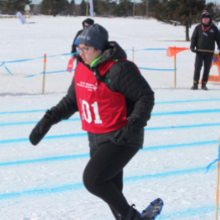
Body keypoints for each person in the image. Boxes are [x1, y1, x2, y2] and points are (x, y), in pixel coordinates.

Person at [29, 24, 163, 220]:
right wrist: (48, 119)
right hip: (96, 138)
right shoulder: (82, 68)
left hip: (121, 136)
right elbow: (72, 100)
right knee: (112, 192)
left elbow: (145, 96)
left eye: (86, 49)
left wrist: (132, 127)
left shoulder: (119, 69)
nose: (81, 53)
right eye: (79, 48)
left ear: (99, 49)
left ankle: (132, 218)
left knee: (93, 180)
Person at [190, 10, 220, 90]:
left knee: (206, 68)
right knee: (197, 67)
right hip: (199, 52)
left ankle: (204, 84)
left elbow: (218, 39)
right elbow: (193, 38)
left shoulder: (214, 28)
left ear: (209, 19)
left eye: (206, 18)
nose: (205, 19)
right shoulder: (198, 27)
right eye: (203, 18)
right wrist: (192, 46)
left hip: (209, 53)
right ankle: (195, 83)